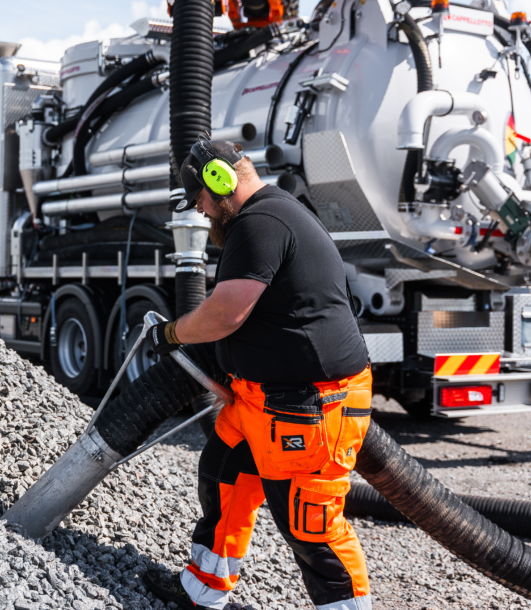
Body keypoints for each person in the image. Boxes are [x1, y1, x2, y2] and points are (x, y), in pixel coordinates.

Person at [140, 139, 373, 610]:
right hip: (260, 402)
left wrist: (171, 334)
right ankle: (201, 592)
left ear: (219, 182)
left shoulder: (260, 222)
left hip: (308, 405)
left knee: (311, 528)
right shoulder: (273, 215)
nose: (202, 211)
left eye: (201, 199)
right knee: (222, 479)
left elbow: (226, 313)